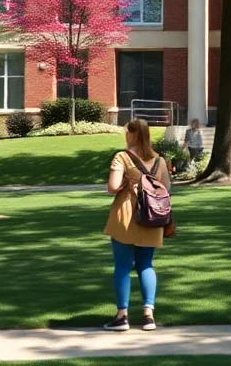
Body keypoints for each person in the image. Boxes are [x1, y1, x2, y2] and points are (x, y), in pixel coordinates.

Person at [103, 118, 172, 332]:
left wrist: (126, 183)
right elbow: (167, 188)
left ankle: (122, 316)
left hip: (126, 215)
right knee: (146, 264)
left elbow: (113, 186)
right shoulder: (159, 160)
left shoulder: (122, 157)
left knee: (123, 265)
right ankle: (148, 315)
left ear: (132, 134)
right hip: (152, 216)